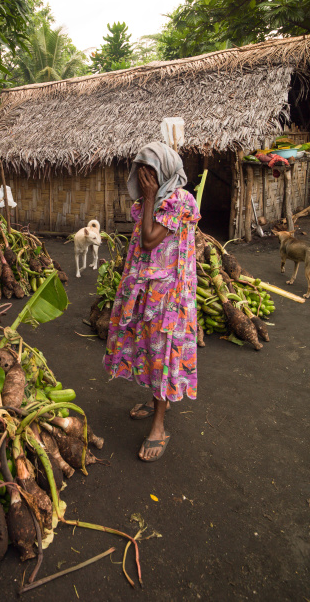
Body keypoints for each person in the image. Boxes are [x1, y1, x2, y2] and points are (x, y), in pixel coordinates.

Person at [103, 141, 200, 462]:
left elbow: (148, 241)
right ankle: (161, 399)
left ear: (164, 172)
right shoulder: (157, 199)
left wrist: (148, 200)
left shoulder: (180, 201)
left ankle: (159, 426)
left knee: (163, 353)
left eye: (149, 173)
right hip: (148, 292)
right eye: (140, 172)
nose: (143, 179)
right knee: (148, 348)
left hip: (169, 297)